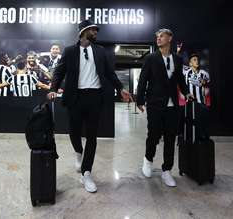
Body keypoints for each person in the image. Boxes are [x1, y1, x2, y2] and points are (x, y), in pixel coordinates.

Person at [47, 20, 132, 193]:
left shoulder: (100, 51)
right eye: (93, 30)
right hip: (75, 97)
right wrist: (53, 89)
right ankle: (78, 152)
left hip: (95, 97)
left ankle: (86, 173)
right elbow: (59, 71)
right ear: (83, 31)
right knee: (74, 131)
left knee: (92, 136)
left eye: (96, 30)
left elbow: (109, 73)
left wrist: (121, 88)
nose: (96, 32)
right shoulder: (70, 51)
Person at [136, 28, 194, 187]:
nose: (159, 39)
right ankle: (148, 160)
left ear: (170, 38)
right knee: (153, 135)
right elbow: (143, 80)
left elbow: (180, 80)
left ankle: (167, 170)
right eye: (157, 37)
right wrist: (139, 99)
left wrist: (187, 93)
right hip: (155, 103)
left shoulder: (177, 59)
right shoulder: (150, 58)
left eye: (162, 36)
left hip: (172, 106)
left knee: (170, 137)